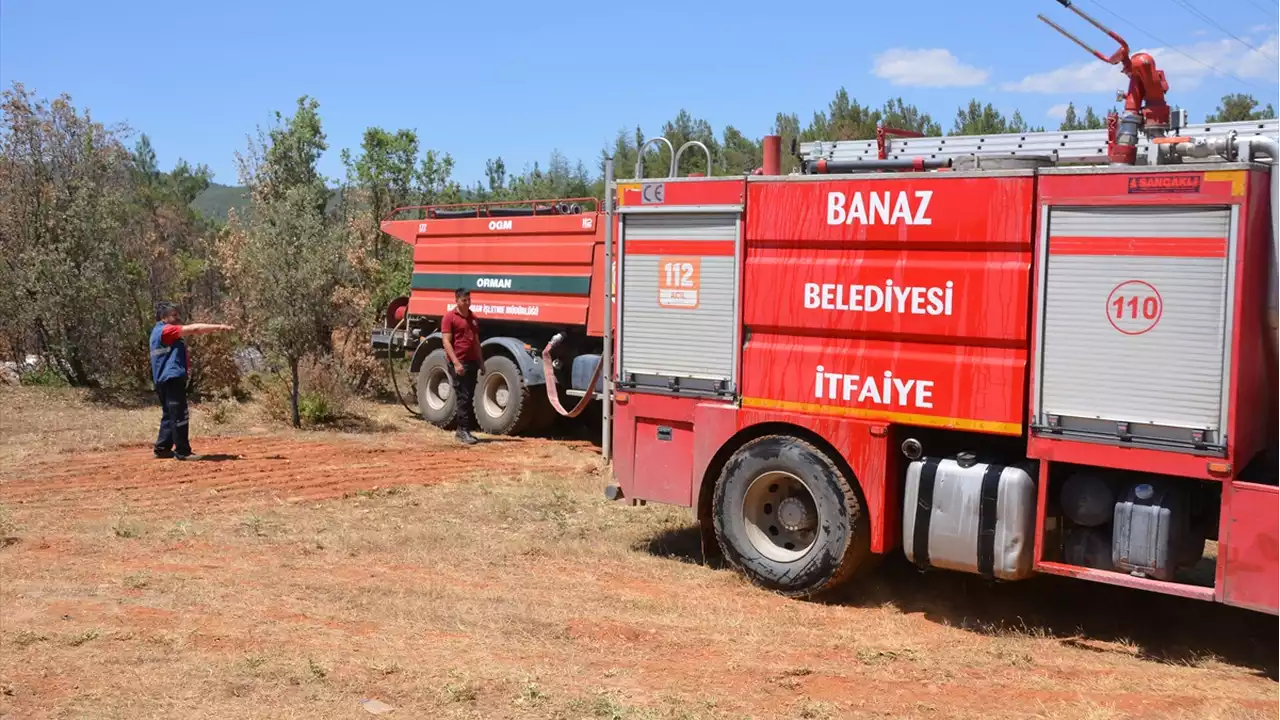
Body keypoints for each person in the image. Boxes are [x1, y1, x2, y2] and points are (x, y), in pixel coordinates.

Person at [150, 302, 234, 460]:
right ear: (164, 318)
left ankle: (162, 448)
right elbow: (194, 329)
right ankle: (183, 451)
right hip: (172, 378)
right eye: (174, 315)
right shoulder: (166, 330)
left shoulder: (155, 332)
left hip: (162, 379)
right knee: (180, 413)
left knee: (169, 414)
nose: (177, 318)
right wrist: (219, 327)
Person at [441, 288, 483, 445]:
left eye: (469, 300)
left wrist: (481, 362)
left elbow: (476, 342)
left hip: (472, 362)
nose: (467, 303)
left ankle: (466, 430)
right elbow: (446, 341)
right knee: (462, 396)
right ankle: (461, 431)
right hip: (459, 362)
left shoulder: (473, 318)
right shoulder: (449, 318)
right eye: (464, 300)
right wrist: (456, 363)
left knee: (470, 395)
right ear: (456, 301)